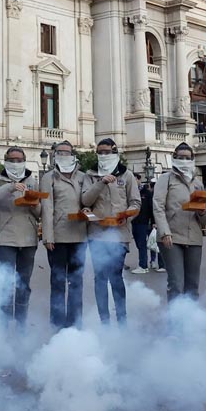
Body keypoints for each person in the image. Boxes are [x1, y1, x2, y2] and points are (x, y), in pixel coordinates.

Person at [82, 138, 140, 325]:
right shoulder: (89, 175)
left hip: (119, 235)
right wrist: (100, 183)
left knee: (115, 277)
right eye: (100, 151)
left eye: (107, 151)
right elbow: (85, 201)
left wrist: (127, 216)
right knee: (100, 278)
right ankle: (104, 320)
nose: (103, 155)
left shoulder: (127, 175)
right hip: (97, 234)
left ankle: (122, 318)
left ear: (115, 152)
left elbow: (136, 203)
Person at [0, 147, 39, 326]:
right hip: (5, 237)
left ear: (24, 160)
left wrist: (32, 203)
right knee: (6, 284)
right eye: (12, 159)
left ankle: (21, 324)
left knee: (24, 283)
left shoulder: (31, 180)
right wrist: (9, 187)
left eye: (19, 159)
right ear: (6, 160)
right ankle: (5, 325)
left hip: (29, 238)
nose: (16, 163)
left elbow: (40, 211)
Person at [40, 140, 90, 329]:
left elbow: (88, 199)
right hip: (58, 237)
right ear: (54, 155)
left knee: (77, 281)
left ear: (73, 155)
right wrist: (48, 236)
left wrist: (86, 209)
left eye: (66, 152)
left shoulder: (83, 177)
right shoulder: (48, 178)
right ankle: (57, 321)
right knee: (58, 280)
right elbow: (47, 208)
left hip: (79, 236)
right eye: (59, 152)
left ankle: (75, 320)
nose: (63, 155)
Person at [153, 143, 205, 302]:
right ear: (174, 158)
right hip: (172, 237)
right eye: (180, 157)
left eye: (187, 158)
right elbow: (158, 206)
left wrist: (203, 212)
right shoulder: (166, 179)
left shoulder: (197, 183)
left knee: (193, 285)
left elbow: (203, 217)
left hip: (194, 237)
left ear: (192, 160)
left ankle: (191, 322)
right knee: (177, 283)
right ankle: (175, 324)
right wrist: (164, 231)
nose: (184, 160)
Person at [130, 178, 155, 274]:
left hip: (143, 221)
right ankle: (144, 263)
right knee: (139, 244)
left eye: (135, 178)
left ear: (139, 179)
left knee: (142, 244)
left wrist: (153, 221)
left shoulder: (146, 193)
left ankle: (143, 265)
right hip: (133, 221)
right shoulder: (131, 191)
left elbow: (151, 207)